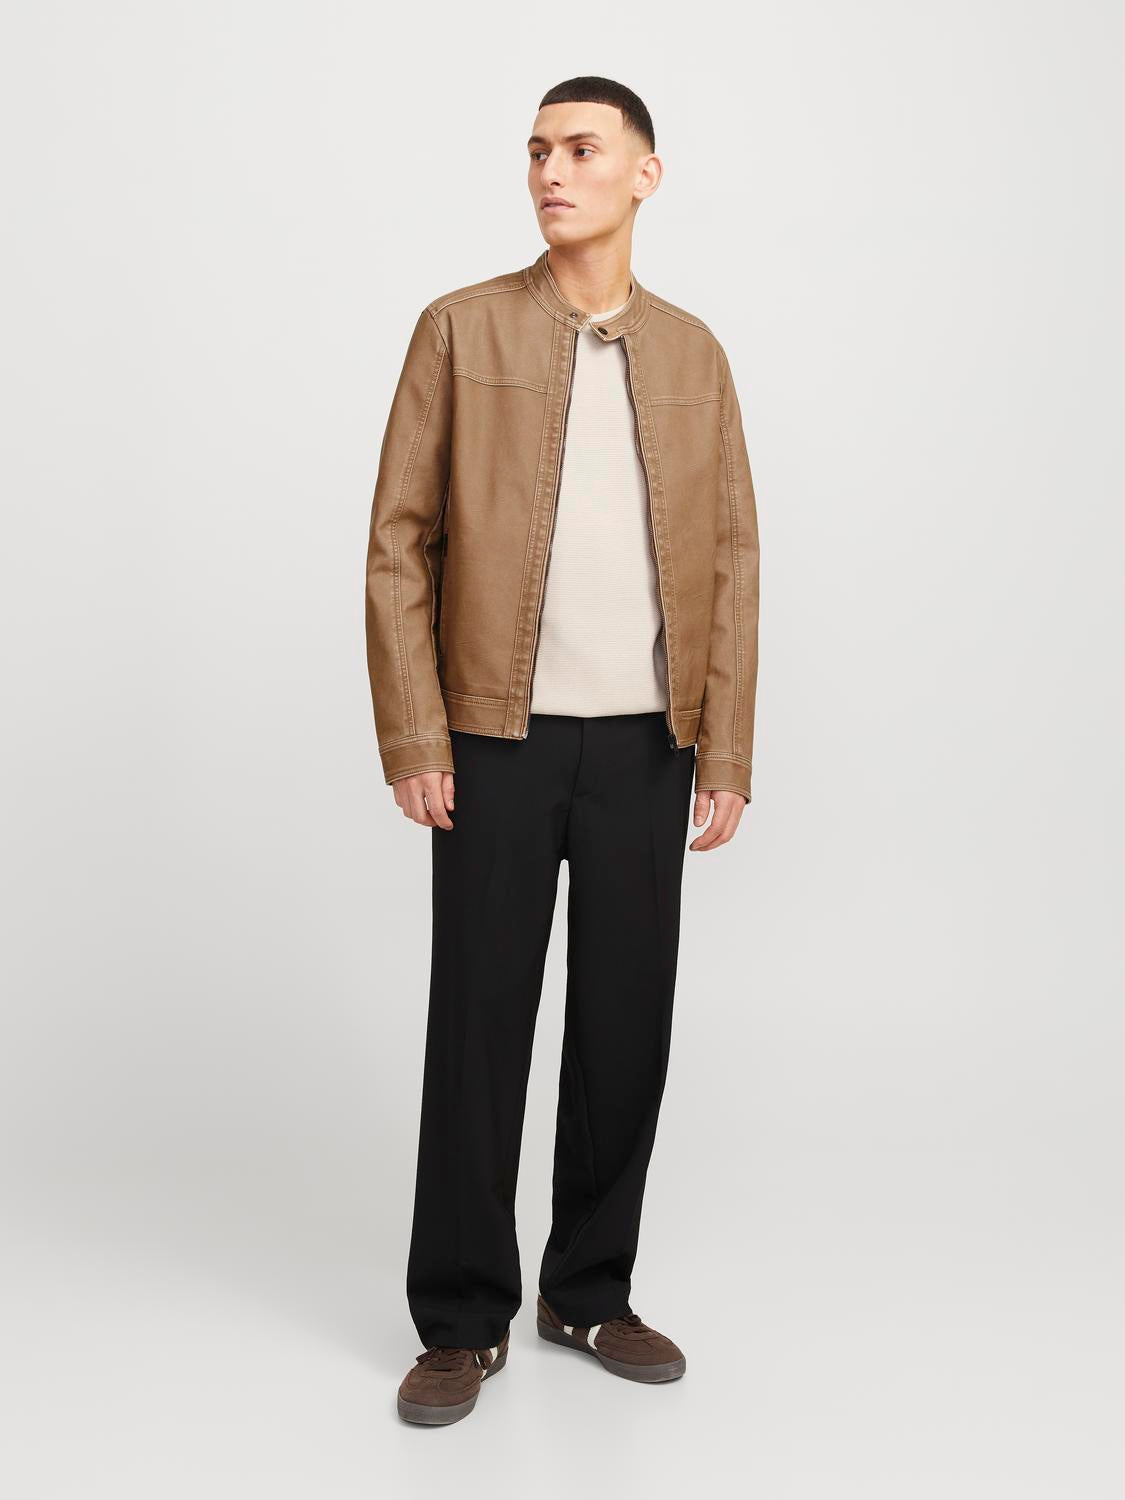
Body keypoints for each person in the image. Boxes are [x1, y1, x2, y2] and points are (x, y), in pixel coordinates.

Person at [364, 76, 760, 1426]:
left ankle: (588, 1290)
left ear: (645, 174)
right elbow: (398, 543)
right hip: (494, 736)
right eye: (537, 150)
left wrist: (724, 745)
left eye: (583, 150)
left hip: (651, 740)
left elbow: (733, 559)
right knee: (479, 1024)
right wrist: (416, 730)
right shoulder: (459, 328)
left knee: (623, 1027)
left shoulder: (695, 354)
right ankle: (460, 1319)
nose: (551, 171)